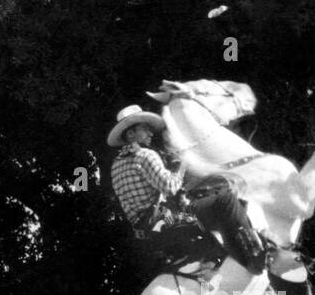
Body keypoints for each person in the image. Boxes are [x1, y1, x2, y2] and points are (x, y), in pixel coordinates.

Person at [107, 104, 266, 274]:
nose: (151, 133)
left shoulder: (116, 166)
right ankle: (253, 256)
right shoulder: (145, 155)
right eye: (145, 129)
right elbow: (170, 187)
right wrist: (182, 164)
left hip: (147, 233)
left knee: (204, 202)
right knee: (225, 200)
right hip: (167, 220)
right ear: (131, 134)